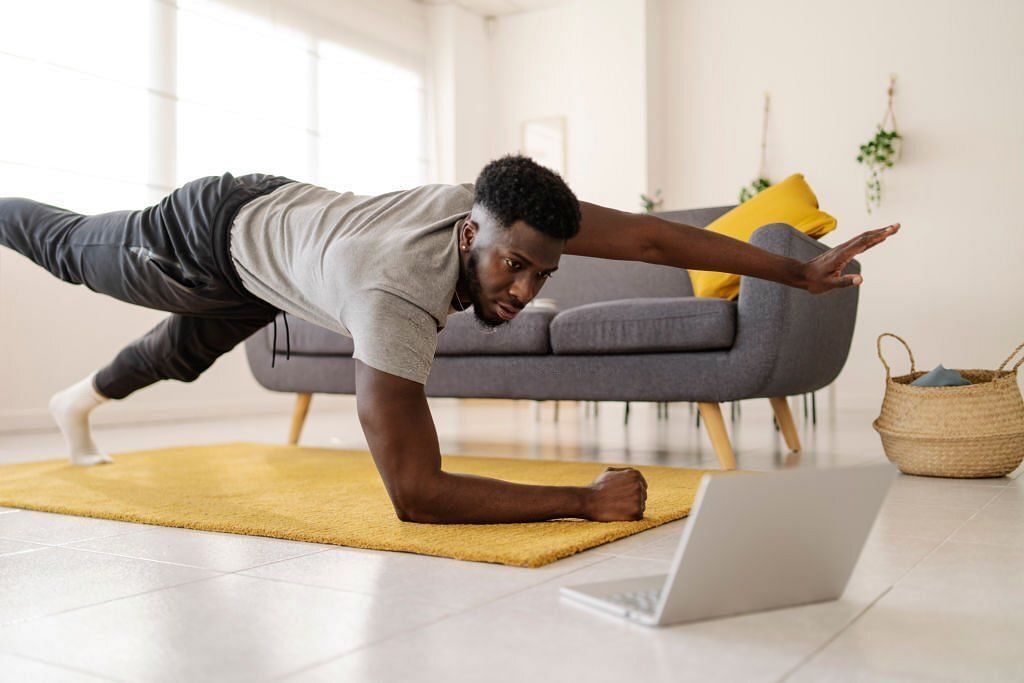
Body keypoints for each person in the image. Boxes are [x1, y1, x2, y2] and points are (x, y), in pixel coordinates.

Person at [0, 155, 899, 524]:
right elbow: (415, 492)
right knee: (71, 248)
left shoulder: (504, 213)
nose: (527, 289)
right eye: (515, 267)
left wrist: (800, 271)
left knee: (178, 355)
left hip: (275, 237)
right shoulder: (394, 294)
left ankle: (74, 402)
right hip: (200, 238)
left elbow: (657, 238)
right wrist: (578, 501)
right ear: (473, 236)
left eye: (544, 273)